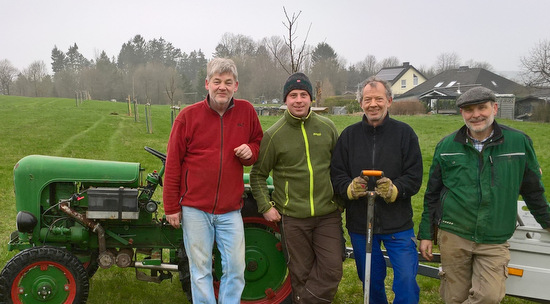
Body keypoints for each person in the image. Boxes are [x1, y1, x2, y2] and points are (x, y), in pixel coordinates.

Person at [418, 86, 550, 303]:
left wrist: (547, 221)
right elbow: (432, 193)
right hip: (454, 233)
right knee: (454, 297)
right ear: (462, 113)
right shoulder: (447, 146)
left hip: (494, 236)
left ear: (494, 108)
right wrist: (425, 234)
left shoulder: (518, 143)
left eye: (482, 107)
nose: (476, 114)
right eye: (469, 110)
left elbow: (533, 191)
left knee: (489, 296)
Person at [163, 58, 263, 304]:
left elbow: (258, 142)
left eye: (228, 82)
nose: (222, 87)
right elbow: (173, 163)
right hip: (196, 208)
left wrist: (251, 150)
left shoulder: (246, 112)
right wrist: (171, 206)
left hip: (230, 209)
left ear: (236, 86)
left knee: (236, 269)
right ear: (207, 84)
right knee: (200, 270)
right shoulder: (188, 117)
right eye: (217, 81)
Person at [250, 72, 342, 303]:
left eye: (303, 94)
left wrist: (339, 201)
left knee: (332, 270)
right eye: (293, 95)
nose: (298, 100)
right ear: (286, 100)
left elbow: (340, 169)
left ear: (311, 98)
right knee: (301, 274)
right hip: (292, 217)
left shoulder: (328, 128)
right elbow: (258, 174)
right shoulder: (274, 135)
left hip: (327, 215)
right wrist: (265, 205)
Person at [331, 76, 423, 304]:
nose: (373, 104)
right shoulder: (349, 136)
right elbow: (336, 174)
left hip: (398, 223)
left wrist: (395, 189)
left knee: (406, 280)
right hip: (361, 223)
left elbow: (414, 176)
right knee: (370, 279)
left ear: (389, 101)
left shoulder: (405, 134)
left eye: (379, 99)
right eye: (367, 99)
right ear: (361, 103)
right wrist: (349, 189)